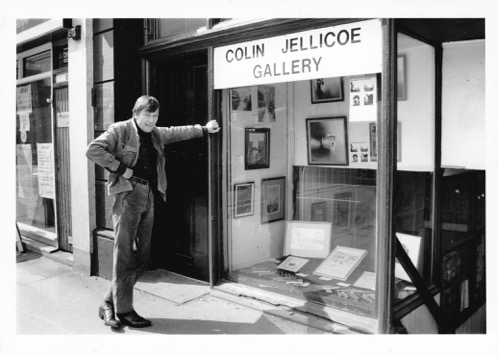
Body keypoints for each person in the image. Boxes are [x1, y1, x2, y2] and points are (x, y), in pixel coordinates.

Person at [86, 95, 220, 328]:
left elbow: (178, 132)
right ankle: (125, 311)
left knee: (141, 257)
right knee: (125, 253)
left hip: (149, 195)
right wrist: (120, 168)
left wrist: (204, 129)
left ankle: (108, 302)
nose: (151, 120)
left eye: (155, 115)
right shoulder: (120, 130)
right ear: (136, 113)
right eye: (147, 115)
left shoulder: (156, 133)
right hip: (128, 194)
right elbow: (94, 149)